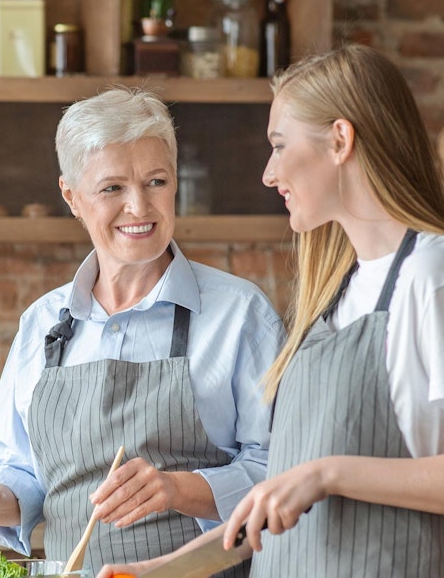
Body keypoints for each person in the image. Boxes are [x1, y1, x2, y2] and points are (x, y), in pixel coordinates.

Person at [97, 43, 444, 578]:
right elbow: (285, 506)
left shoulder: (428, 275)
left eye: (280, 146)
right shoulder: (335, 292)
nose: (268, 172)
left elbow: (321, 481)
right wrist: (165, 569)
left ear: (340, 140)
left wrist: (328, 473)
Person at [0, 86, 285, 576]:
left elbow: (284, 474)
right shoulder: (42, 323)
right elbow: (26, 476)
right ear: (72, 197)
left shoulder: (239, 314)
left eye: (156, 182)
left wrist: (177, 488)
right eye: (112, 189)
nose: (139, 207)